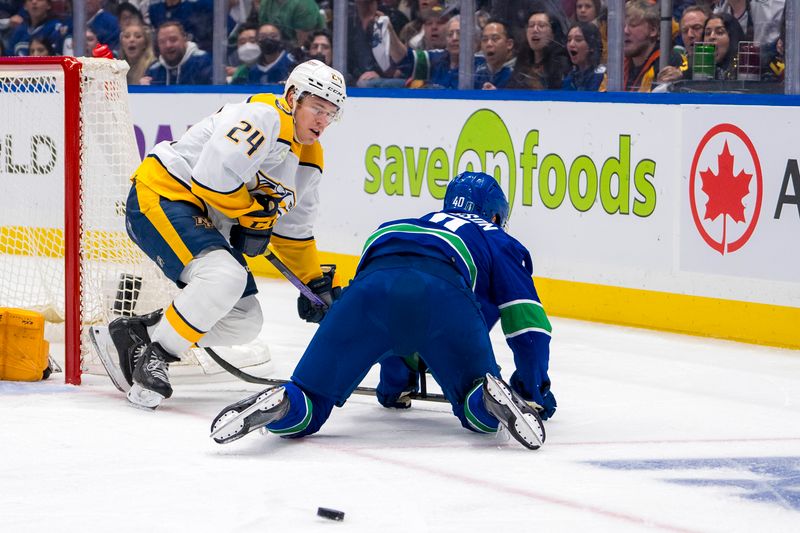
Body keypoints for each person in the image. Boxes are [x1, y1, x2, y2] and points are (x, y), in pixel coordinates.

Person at [209, 171, 556, 451]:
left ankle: (284, 403)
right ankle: (486, 401)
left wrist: (393, 387)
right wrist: (533, 388)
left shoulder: (405, 224)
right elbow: (527, 325)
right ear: (496, 214)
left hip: (370, 287)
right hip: (443, 290)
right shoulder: (498, 237)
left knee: (311, 399)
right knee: (474, 400)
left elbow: (390, 321)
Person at [102, 60, 346, 409]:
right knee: (224, 276)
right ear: (293, 97)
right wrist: (252, 216)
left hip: (201, 218)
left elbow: (293, 231)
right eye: (317, 108)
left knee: (244, 321)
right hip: (162, 195)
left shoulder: (310, 157)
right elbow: (211, 178)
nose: (323, 120)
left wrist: (313, 282)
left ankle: (139, 333)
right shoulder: (263, 116)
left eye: (331, 113)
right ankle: (156, 357)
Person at [599, 0, 683, 92]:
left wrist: (676, 82)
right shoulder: (617, 66)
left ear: (653, 30)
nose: (625, 31)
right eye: (622, 26)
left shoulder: (670, 61)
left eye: (633, 25)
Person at [507, 7, 570, 90]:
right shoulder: (522, 60)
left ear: (553, 33)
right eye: (531, 26)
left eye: (541, 25)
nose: (535, 30)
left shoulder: (561, 62)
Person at [143, 21, 212, 85]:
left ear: (185, 39)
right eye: (162, 42)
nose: (168, 45)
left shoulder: (204, 63)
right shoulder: (153, 70)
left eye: (173, 40)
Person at [230, 23, 298, 85]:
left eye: (273, 36)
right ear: (257, 40)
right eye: (262, 37)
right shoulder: (253, 69)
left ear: (281, 39)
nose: (268, 40)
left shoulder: (291, 63)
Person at [657, 5, 709, 83]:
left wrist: (683, 76)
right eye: (685, 31)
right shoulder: (677, 65)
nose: (690, 35)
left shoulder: (723, 64)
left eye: (697, 28)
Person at [474, 19, 517, 89]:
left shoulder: (519, 75)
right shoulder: (478, 74)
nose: (489, 44)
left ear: (509, 44)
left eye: (495, 39)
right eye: (485, 39)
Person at [562, 21, 604, 90]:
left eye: (578, 40)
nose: (571, 44)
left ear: (591, 46)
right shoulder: (569, 78)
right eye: (569, 40)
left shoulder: (602, 76)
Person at [704, 12, 746, 81]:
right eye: (707, 33)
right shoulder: (694, 70)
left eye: (719, 32)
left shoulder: (746, 70)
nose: (711, 37)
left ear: (733, 37)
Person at [119, 21, 156, 85]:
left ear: (145, 44)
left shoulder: (153, 67)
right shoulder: (116, 67)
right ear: (122, 44)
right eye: (127, 36)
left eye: (138, 36)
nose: (131, 40)